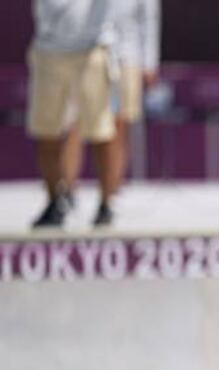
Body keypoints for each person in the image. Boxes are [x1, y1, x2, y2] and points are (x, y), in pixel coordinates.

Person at [61, 0, 161, 224]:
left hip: (127, 56)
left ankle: (110, 191)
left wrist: (149, 63)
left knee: (118, 124)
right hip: (87, 54)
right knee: (76, 122)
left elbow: (149, 19)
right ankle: (67, 187)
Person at [27, 0, 120, 228]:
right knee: (45, 131)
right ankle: (54, 202)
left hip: (90, 50)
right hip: (48, 49)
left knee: (101, 131)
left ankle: (106, 204)